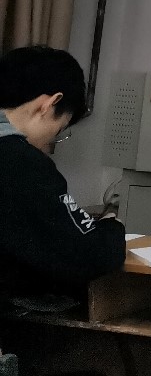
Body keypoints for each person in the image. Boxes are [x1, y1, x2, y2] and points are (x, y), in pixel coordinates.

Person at [0, 46, 126, 299]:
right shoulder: (20, 162)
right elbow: (85, 255)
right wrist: (113, 226)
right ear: (49, 104)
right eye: (59, 130)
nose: (50, 144)